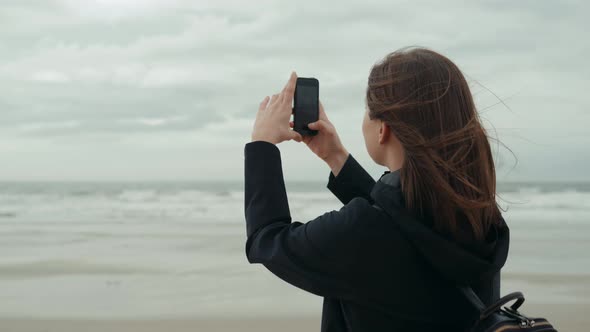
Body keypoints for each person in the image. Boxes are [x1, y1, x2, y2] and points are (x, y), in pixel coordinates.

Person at [243, 47, 510, 331]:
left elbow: (267, 240)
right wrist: (336, 157)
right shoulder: (480, 216)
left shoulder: (365, 233)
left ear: (383, 129)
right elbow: (403, 228)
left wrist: (262, 145)